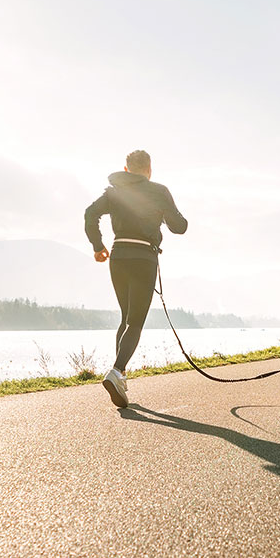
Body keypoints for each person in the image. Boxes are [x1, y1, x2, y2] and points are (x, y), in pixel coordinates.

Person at [84, 150, 188, 408]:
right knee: (136, 322)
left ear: (126, 169)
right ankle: (117, 371)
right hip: (143, 256)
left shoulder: (114, 192)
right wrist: (164, 213)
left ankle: (120, 375)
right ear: (149, 170)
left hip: (118, 256)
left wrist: (98, 246)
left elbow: (89, 214)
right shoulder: (159, 191)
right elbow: (180, 226)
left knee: (125, 317)